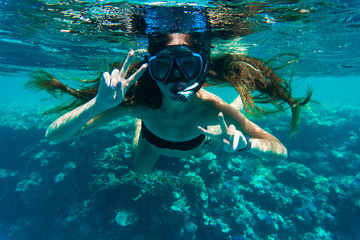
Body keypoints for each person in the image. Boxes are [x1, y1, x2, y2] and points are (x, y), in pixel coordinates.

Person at [26, 7, 311, 173]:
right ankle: (140, 128)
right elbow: (54, 137)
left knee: (223, 123)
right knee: (139, 173)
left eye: (187, 65)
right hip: (152, 140)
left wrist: (249, 144)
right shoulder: (139, 102)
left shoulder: (213, 108)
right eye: (162, 67)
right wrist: (99, 105)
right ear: (151, 68)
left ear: (203, 67)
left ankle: (232, 112)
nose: (176, 80)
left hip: (199, 143)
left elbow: (280, 149)